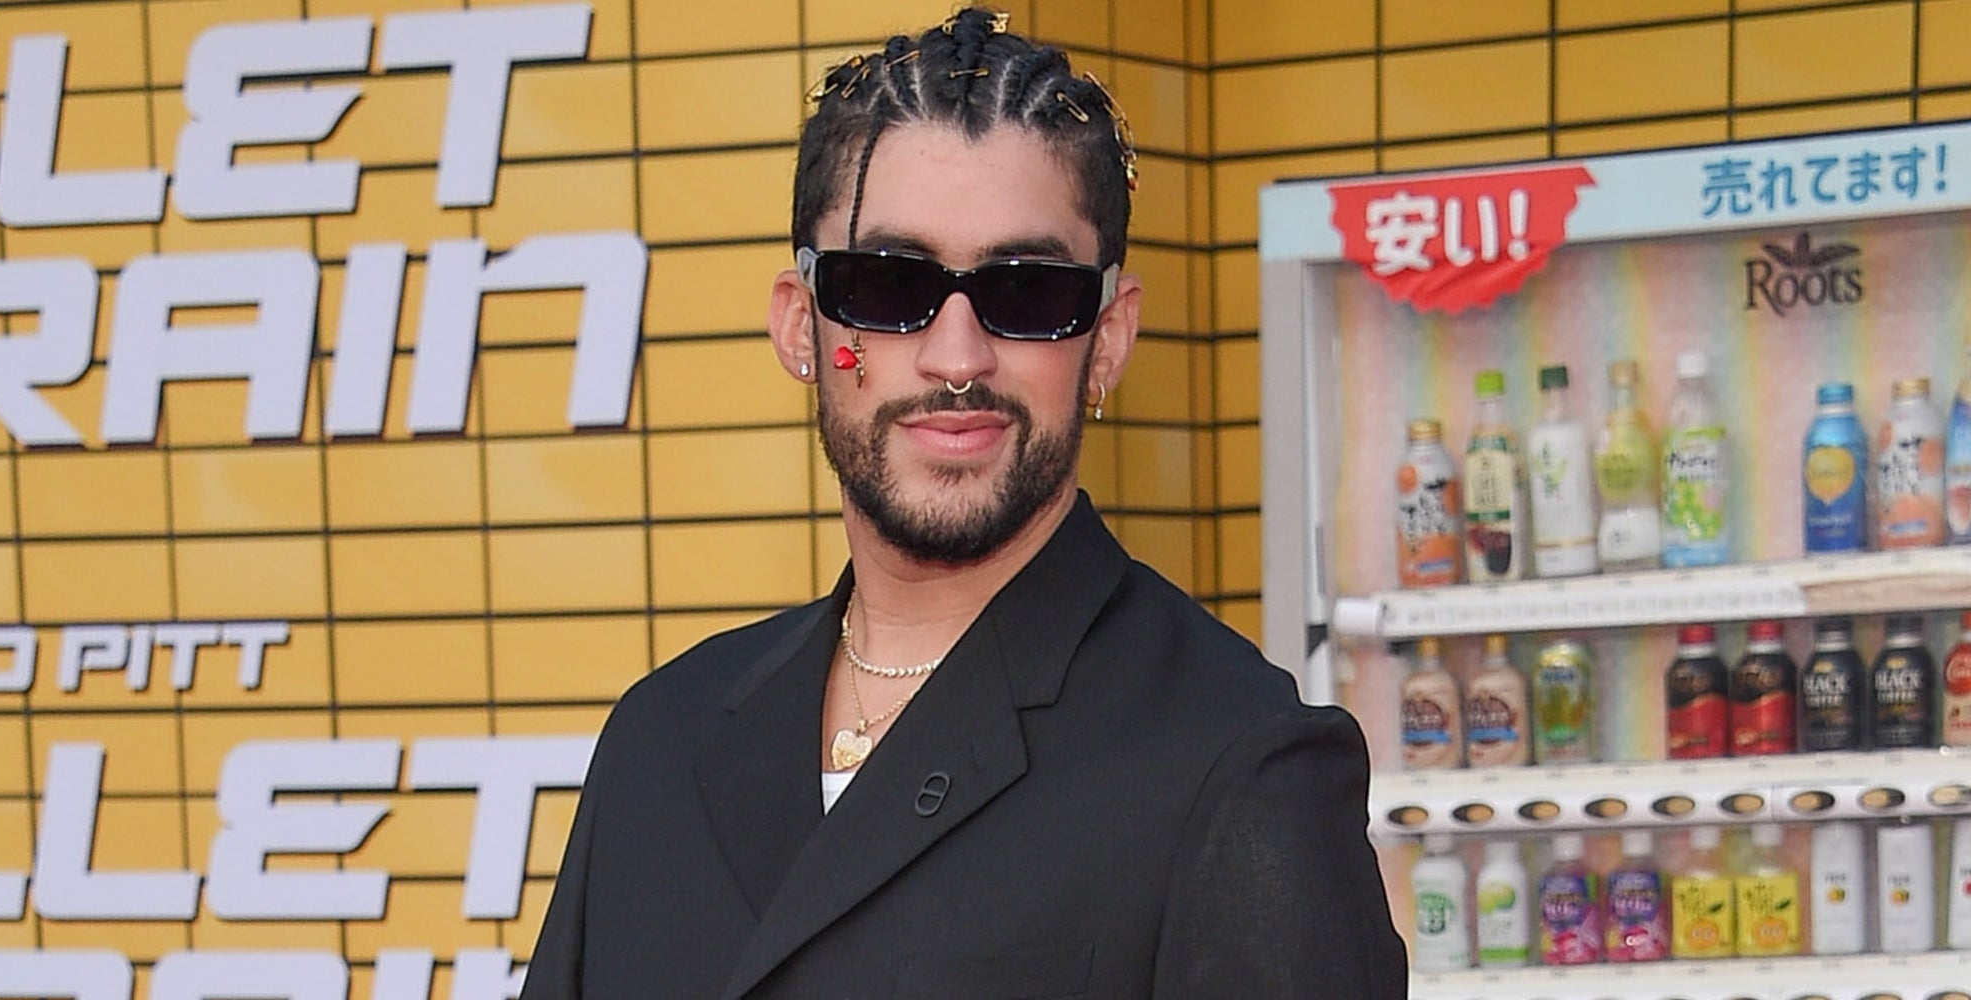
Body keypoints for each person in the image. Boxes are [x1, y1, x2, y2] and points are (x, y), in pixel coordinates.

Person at [520, 9, 1405, 998]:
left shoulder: (1237, 760)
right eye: (885, 284)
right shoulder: (661, 742)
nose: (956, 357)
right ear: (801, 326)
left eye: (1027, 294)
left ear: (1107, 339)